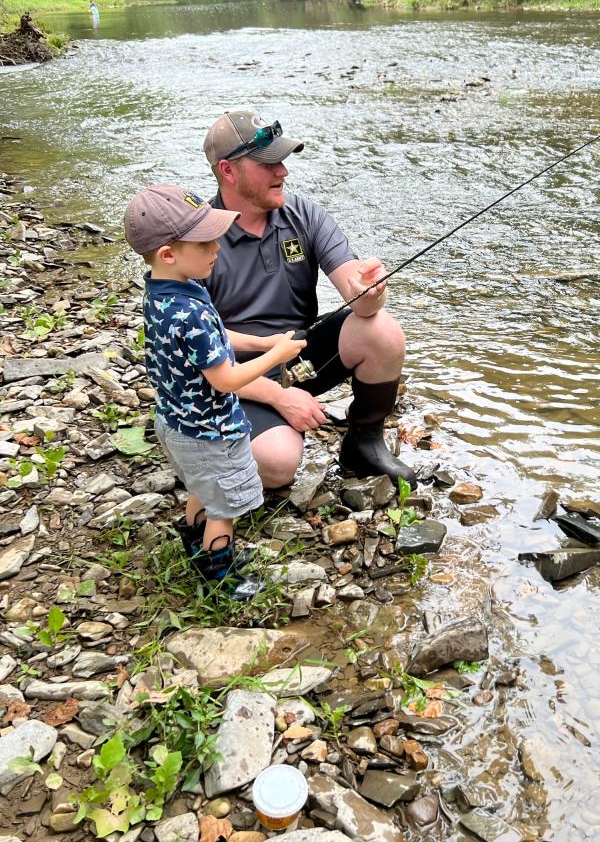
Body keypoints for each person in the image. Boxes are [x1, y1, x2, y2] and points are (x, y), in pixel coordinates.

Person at [200, 109, 416, 490]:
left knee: (382, 330)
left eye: (282, 160)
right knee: (278, 465)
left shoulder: (304, 215)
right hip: (226, 375)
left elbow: (360, 299)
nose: (282, 171)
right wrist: (279, 398)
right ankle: (198, 447)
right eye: (268, 164)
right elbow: (191, 355)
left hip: (296, 359)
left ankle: (363, 442)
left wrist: (369, 289)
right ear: (228, 171)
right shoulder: (195, 238)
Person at [123, 184, 303, 597]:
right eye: (206, 242)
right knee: (223, 507)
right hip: (210, 431)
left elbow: (214, 336)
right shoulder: (189, 307)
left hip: (175, 423)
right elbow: (226, 379)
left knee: (201, 489)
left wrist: (261, 341)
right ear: (168, 253)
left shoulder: (164, 292)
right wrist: (277, 354)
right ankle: (221, 573)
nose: (217, 246)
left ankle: (194, 539)